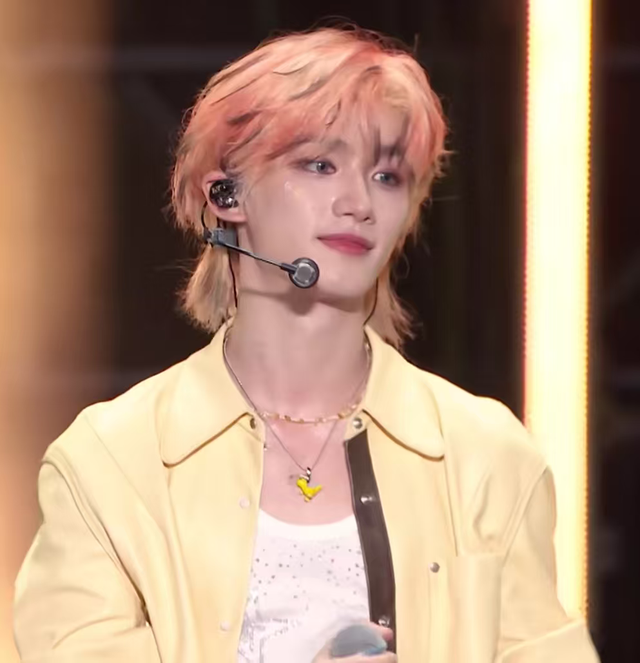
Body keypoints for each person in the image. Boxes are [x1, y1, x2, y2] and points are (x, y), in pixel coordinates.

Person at [13, 25, 600, 663]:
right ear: (226, 195)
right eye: (319, 165)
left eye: (388, 175)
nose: (359, 203)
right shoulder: (110, 464)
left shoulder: (486, 457)